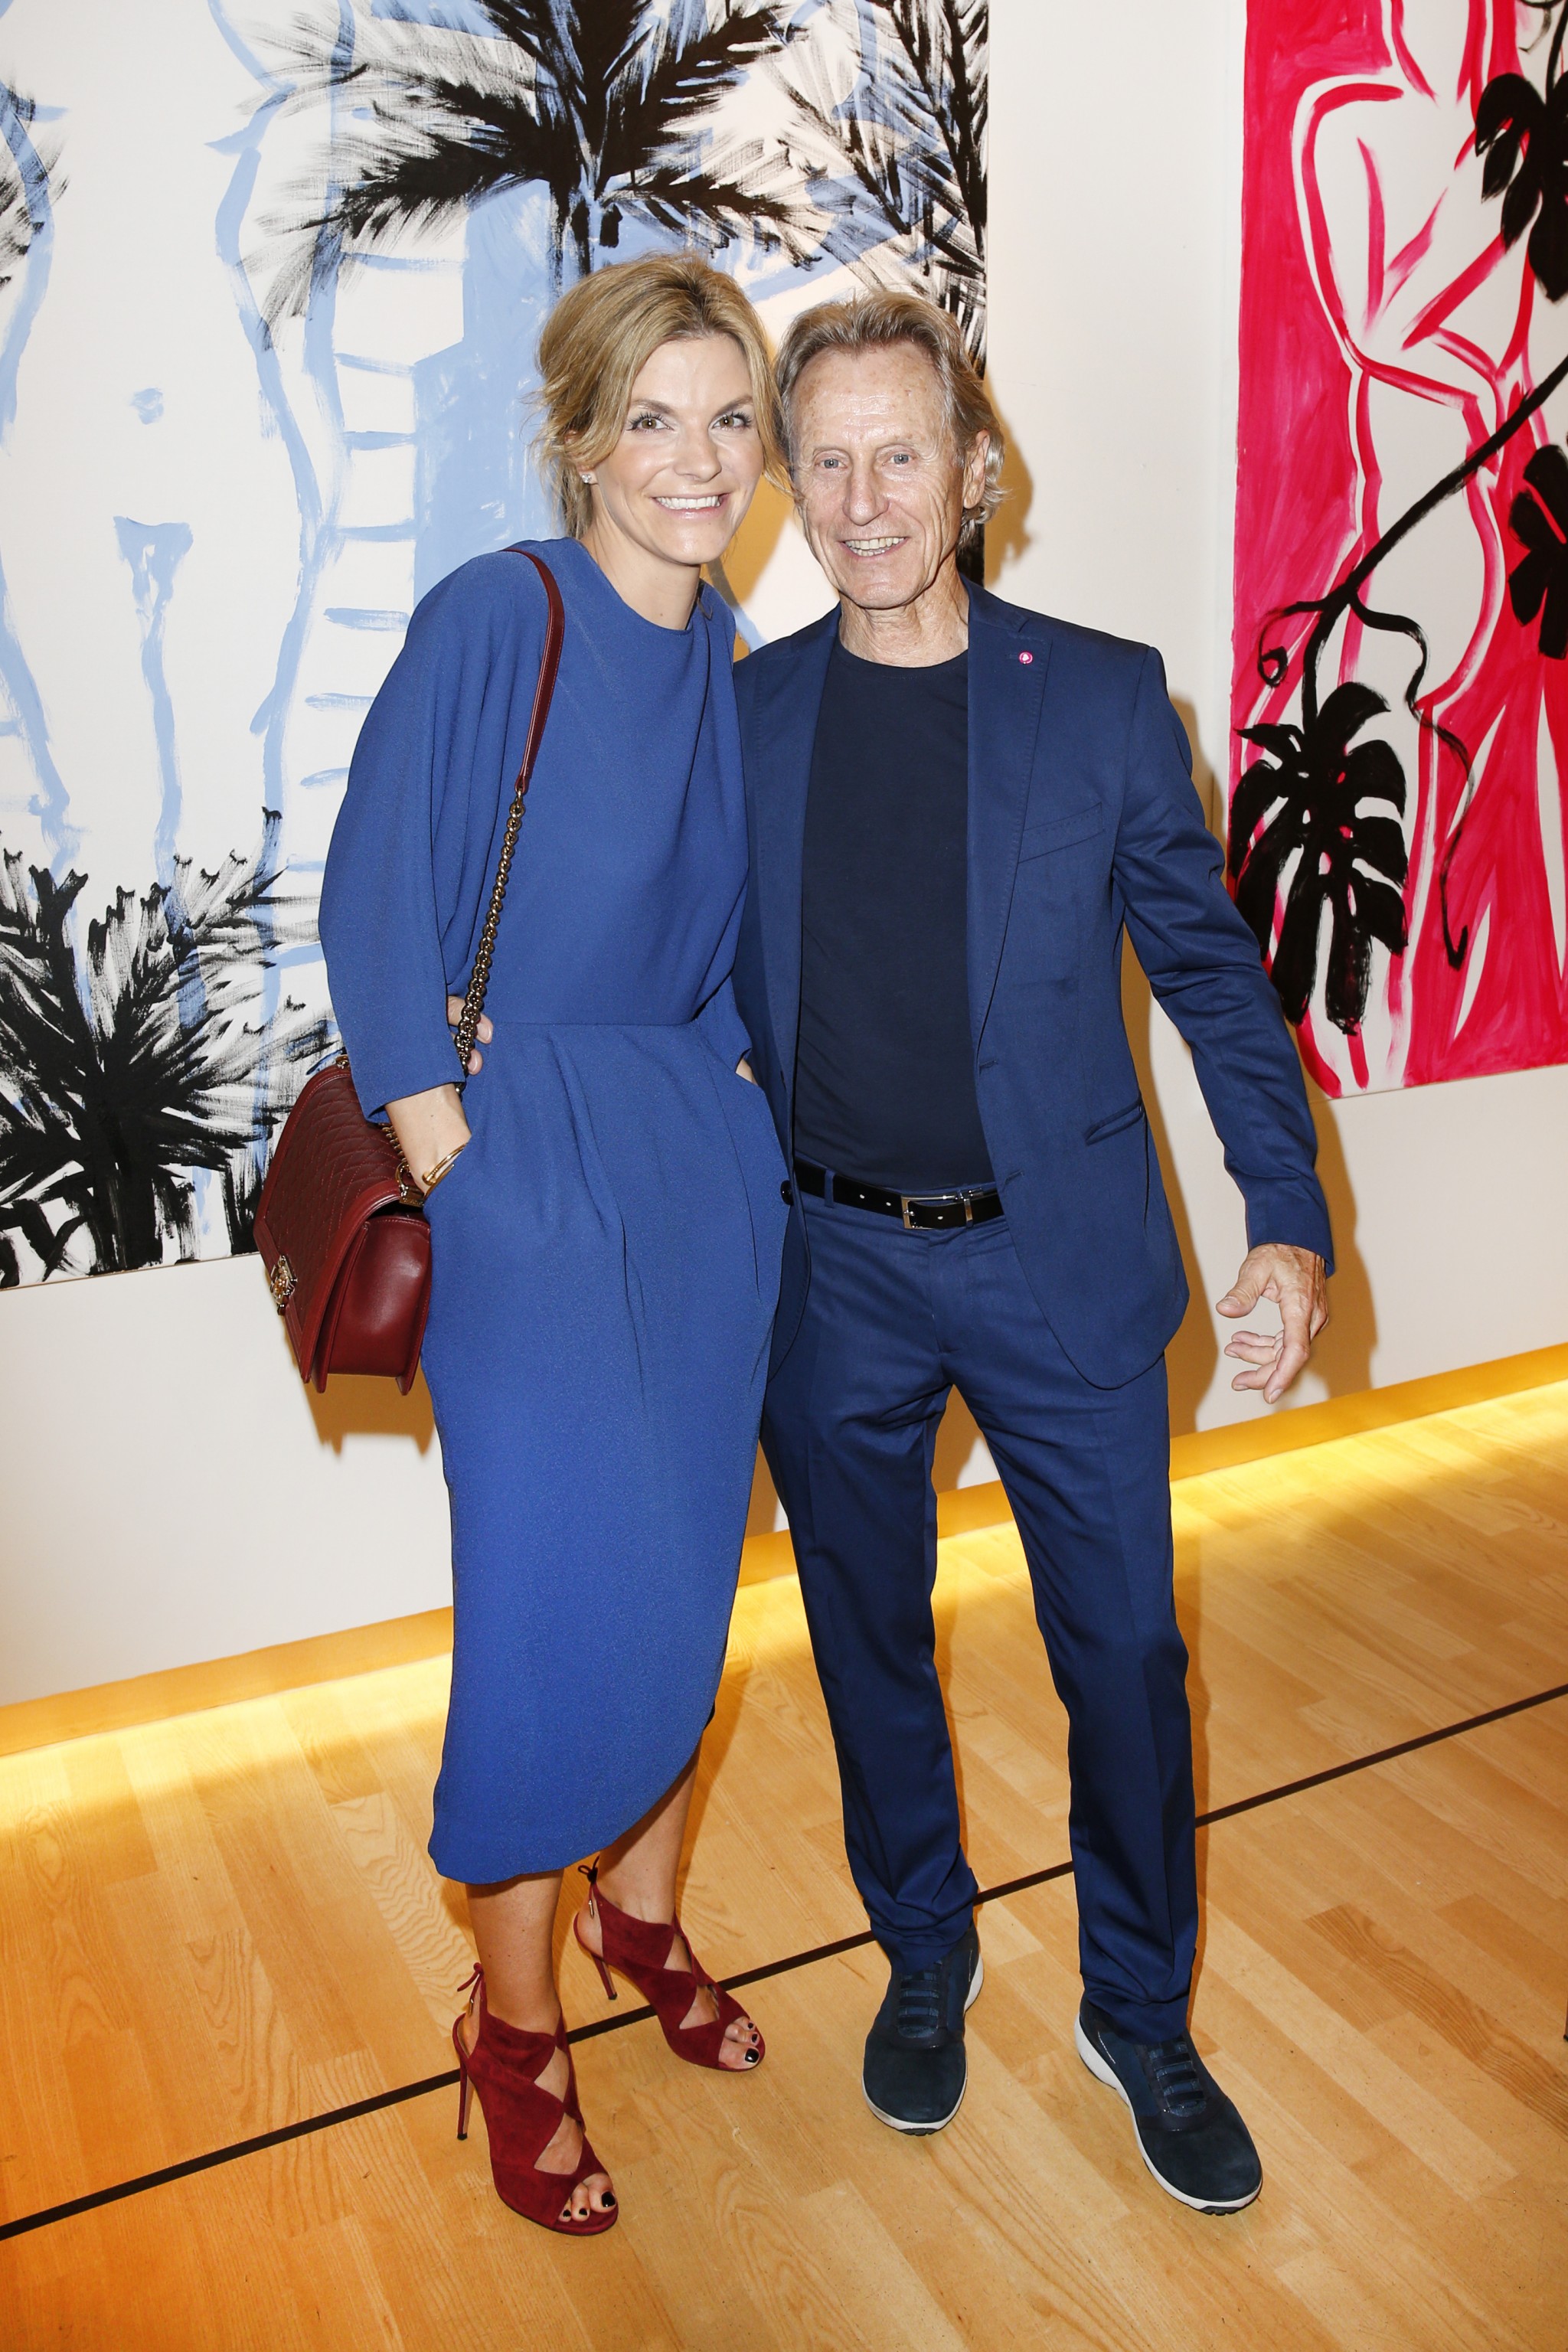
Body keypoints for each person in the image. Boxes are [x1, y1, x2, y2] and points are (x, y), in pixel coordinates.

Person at [730, 289, 1332, 2213]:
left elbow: (1219, 985)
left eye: (900, 452)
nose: (861, 497)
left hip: (1054, 1268)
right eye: (823, 459)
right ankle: (923, 1948)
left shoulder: (1096, 696)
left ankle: (1138, 2012)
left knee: (1130, 1659)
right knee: (867, 1645)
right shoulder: (741, 718)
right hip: (834, 1270)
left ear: (974, 469)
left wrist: (1289, 1214)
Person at [318, 256, 789, 2237]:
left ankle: (640, 1911)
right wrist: (462, 1159)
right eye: (656, 420)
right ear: (585, 438)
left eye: (730, 419)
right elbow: (372, 913)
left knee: (689, 1598)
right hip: (532, 1179)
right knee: (546, 1616)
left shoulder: (730, 649)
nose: (698, 461)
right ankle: (511, 2027)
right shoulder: (495, 616)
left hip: (700, 1174)